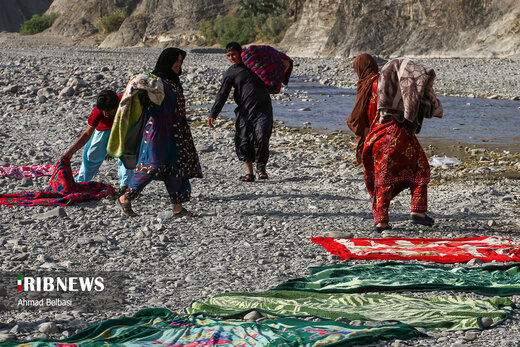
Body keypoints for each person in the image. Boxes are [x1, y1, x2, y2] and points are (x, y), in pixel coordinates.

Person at [347, 54, 443, 232]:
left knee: (382, 179)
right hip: (398, 133)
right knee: (420, 169)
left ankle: (381, 221)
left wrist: (364, 144)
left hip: (375, 138)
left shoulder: (363, 87)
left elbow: (362, 121)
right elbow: (412, 95)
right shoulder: (386, 80)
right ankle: (418, 212)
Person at [115, 48, 202, 217]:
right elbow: (143, 98)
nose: (179, 64)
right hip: (158, 130)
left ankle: (178, 207)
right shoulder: (156, 83)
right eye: (176, 60)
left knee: (175, 168)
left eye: (180, 61)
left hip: (176, 131)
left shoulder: (174, 82)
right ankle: (125, 198)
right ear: (167, 61)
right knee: (152, 166)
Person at [207, 42, 274, 182]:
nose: (231, 58)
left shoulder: (255, 65)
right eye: (228, 56)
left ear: (241, 52)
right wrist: (213, 113)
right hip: (244, 112)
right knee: (243, 140)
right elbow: (222, 94)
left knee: (262, 137)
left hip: (263, 110)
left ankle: (261, 168)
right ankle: (250, 173)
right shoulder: (231, 72)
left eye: (233, 54)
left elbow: (273, 66)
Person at [60, 90, 133, 194]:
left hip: (125, 130)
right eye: (103, 110)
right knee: (92, 156)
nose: (105, 113)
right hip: (103, 130)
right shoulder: (98, 112)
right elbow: (86, 134)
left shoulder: (126, 103)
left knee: (127, 155)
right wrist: (69, 153)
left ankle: (126, 186)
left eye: (109, 110)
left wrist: (114, 146)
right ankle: (81, 183)